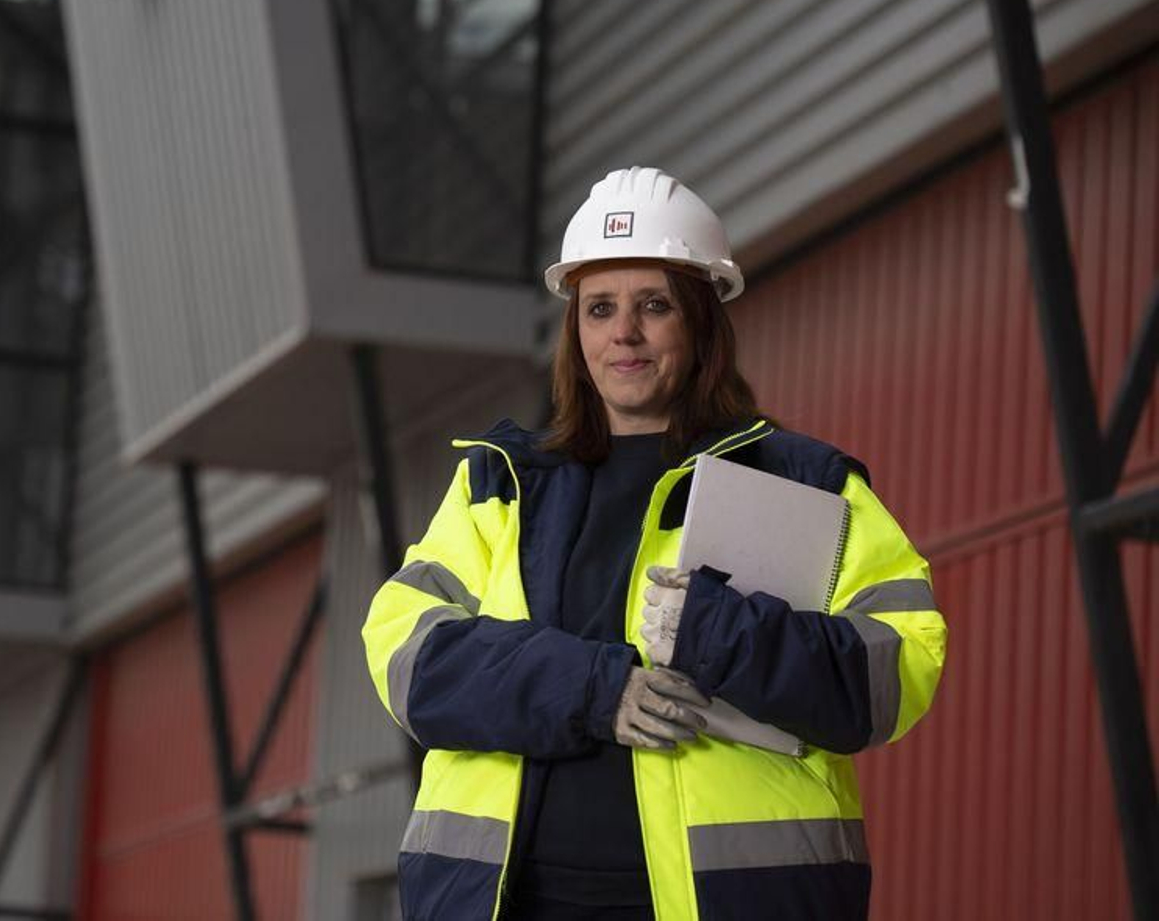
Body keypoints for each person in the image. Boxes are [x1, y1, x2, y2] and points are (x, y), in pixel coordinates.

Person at [362, 167, 947, 921]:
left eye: (654, 306)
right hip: (508, 903)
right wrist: (595, 688)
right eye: (600, 308)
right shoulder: (502, 484)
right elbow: (407, 656)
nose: (624, 332)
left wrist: (721, 631)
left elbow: (897, 671)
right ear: (576, 331)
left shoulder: (804, 483)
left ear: (701, 322)